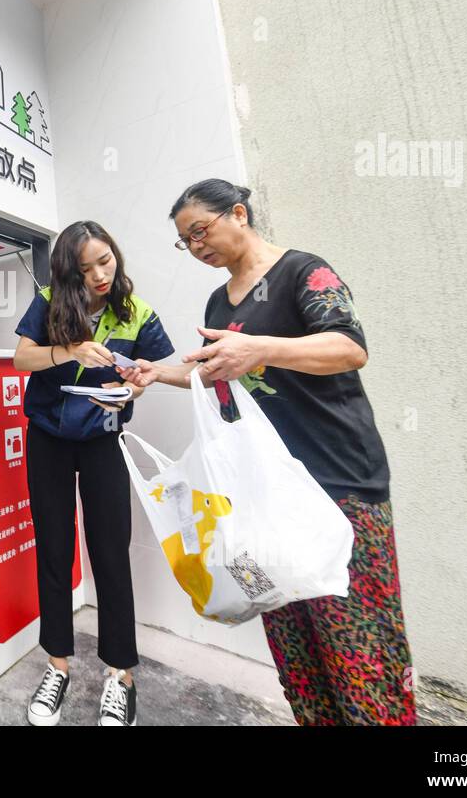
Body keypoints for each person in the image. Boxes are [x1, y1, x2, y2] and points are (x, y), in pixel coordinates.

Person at [119, 179, 417, 725]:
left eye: (200, 231)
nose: (195, 246)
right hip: (263, 495)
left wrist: (261, 350)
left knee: (359, 649)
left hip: (337, 483)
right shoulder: (218, 299)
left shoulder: (303, 272)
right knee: (297, 649)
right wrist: (156, 372)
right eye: (186, 241)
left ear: (238, 213)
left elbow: (349, 347)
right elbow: (214, 369)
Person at [13, 220, 175, 726]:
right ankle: (57, 665)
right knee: (55, 550)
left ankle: (120, 675)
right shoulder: (48, 301)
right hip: (48, 440)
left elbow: (152, 371)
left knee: (110, 553)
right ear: (67, 274)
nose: (100, 274)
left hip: (104, 438)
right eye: (85, 269)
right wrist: (70, 350)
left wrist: (133, 388)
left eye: (105, 260)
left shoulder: (137, 311)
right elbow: (21, 359)